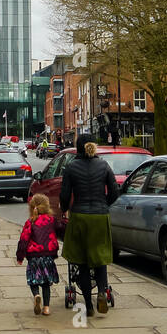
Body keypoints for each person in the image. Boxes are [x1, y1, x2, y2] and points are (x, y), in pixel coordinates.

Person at [60, 133, 118, 316]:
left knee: (82, 262)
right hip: (100, 216)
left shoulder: (70, 167)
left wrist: (64, 209)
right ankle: (101, 292)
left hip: (79, 216)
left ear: (78, 147)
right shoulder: (104, 165)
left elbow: (64, 195)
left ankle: (88, 305)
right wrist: (105, 204)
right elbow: (114, 191)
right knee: (100, 260)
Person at [15, 193, 61, 316]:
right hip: (48, 256)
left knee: (33, 281)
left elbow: (23, 240)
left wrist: (20, 256)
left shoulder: (30, 222)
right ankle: (46, 308)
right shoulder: (51, 220)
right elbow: (62, 229)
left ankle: (36, 295)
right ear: (47, 207)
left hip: (34, 257)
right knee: (46, 283)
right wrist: (65, 218)